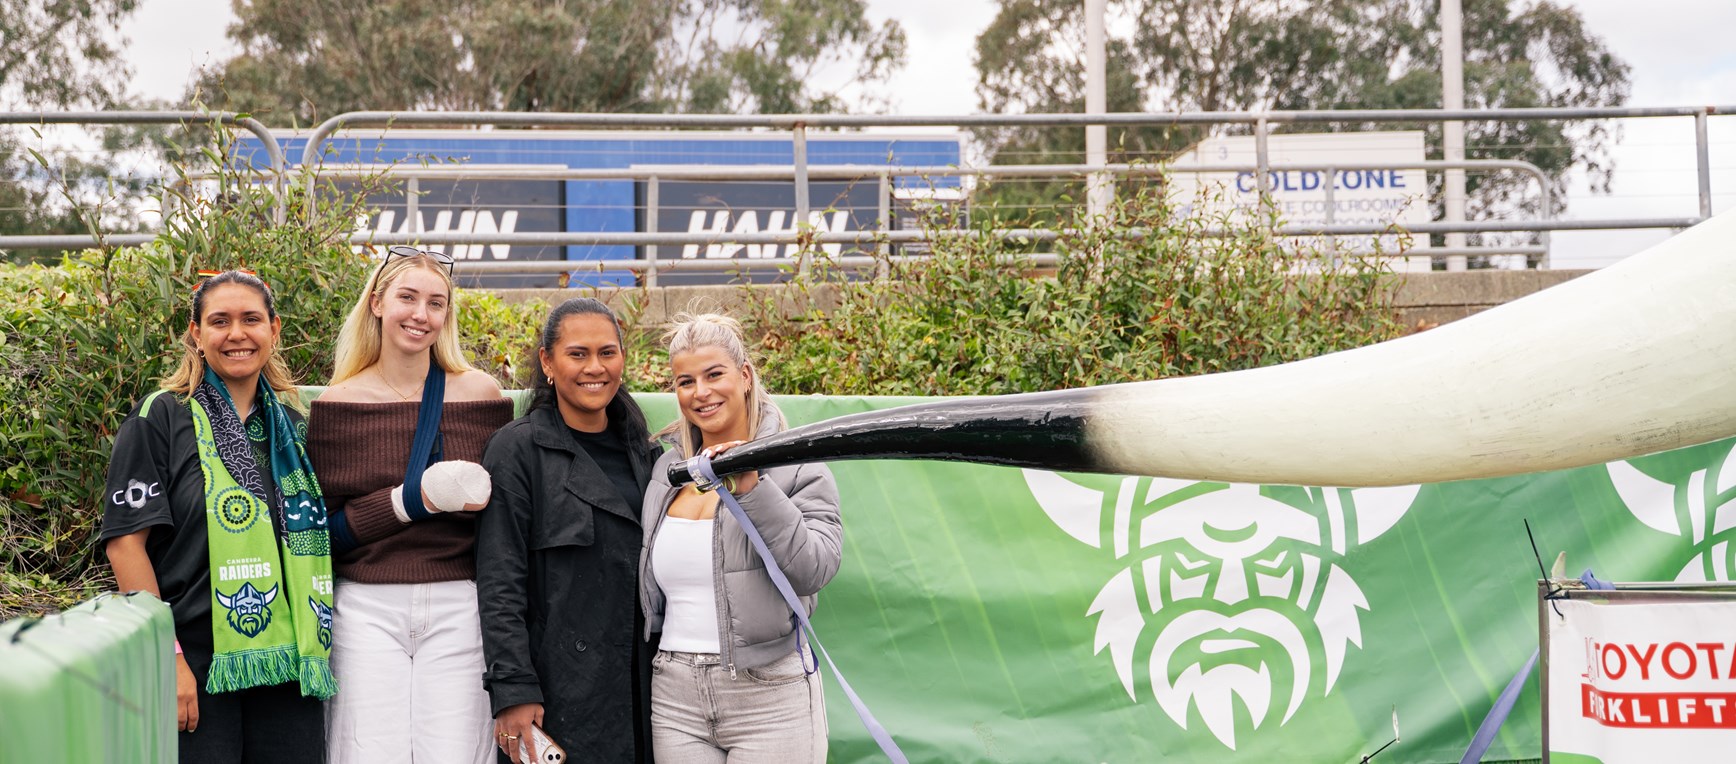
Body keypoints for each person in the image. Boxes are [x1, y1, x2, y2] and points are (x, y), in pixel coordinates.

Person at [102, 270, 335, 763]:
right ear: (196, 333)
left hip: (290, 660)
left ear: (274, 330)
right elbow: (126, 544)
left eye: (251, 319)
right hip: (195, 658)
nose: (236, 334)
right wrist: (169, 661)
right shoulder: (161, 416)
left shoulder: (293, 429)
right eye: (219, 321)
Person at [307, 246, 512, 764]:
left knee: (460, 753)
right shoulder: (337, 405)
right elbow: (320, 535)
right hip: (366, 606)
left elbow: (506, 516)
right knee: (365, 753)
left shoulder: (481, 395)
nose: (421, 315)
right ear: (377, 303)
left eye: (436, 303)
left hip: (459, 602)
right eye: (407, 298)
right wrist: (408, 502)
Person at [638, 312, 843, 763]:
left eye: (714, 375)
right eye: (685, 381)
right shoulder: (666, 471)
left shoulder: (799, 464)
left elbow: (814, 569)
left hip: (770, 693)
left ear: (745, 376)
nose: (701, 392)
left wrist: (751, 484)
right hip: (673, 695)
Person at [477, 297, 661, 764]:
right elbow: (500, 577)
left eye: (607, 352)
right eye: (577, 353)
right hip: (558, 692)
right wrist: (513, 689)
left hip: (643, 689)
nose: (594, 368)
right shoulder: (517, 449)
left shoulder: (648, 454)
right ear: (548, 362)